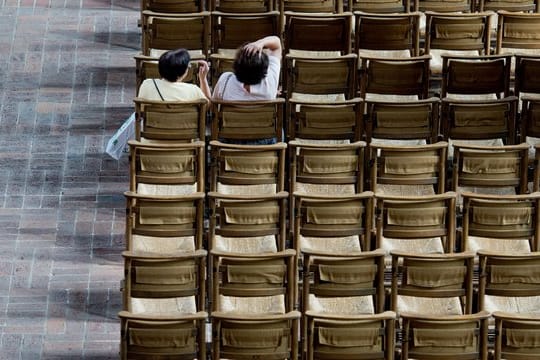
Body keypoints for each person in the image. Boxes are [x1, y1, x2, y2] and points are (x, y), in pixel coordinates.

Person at [212, 35, 282, 101]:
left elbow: (213, 106)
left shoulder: (225, 81)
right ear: (265, 71)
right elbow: (277, 44)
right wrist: (260, 43)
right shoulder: (270, 83)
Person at [138, 48, 211, 101]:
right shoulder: (193, 90)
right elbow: (208, 105)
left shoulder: (147, 85)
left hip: (154, 122)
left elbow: (141, 109)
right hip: (184, 122)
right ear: (183, 72)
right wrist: (203, 79)